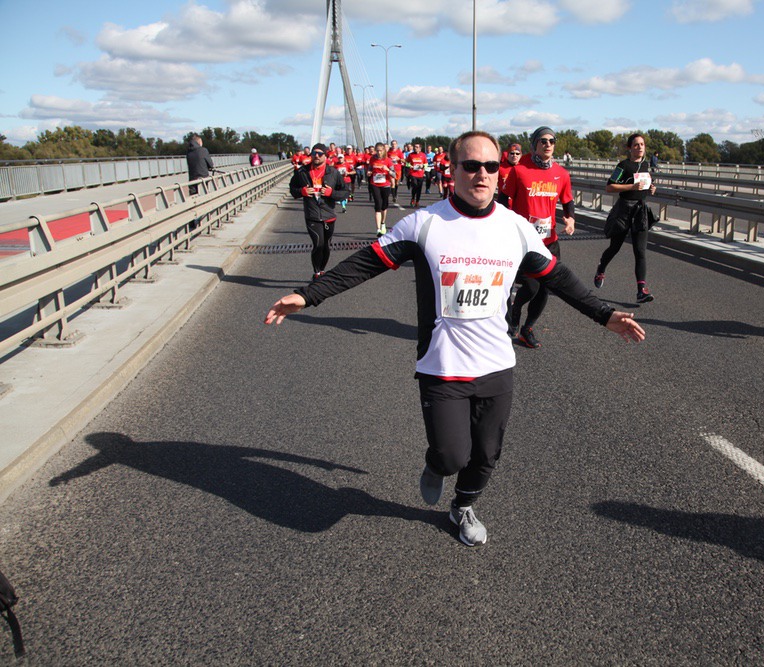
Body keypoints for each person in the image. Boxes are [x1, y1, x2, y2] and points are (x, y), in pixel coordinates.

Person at [265, 130, 645, 547]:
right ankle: (437, 466)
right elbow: (365, 264)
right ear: (453, 168)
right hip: (442, 365)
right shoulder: (424, 224)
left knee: (486, 455)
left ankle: (462, 506)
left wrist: (603, 314)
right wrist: (309, 295)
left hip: (496, 364)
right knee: (451, 455)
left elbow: (559, 278)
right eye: (471, 165)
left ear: (499, 172)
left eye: (491, 166)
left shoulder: (516, 228)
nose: (482, 174)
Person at [502, 126, 575, 348]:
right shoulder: (519, 171)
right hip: (524, 241)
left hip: (549, 241)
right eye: (543, 140)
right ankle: (515, 309)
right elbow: (503, 200)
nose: (548, 144)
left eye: (552, 140)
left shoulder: (561, 174)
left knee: (546, 288)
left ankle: (528, 328)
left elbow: (568, 201)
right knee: (531, 287)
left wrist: (570, 219)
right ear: (534, 144)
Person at [594, 132, 657, 304]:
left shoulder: (645, 165)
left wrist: (651, 188)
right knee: (615, 247)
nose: (640, 148)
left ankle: (641, 290)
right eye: (636, 145)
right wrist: (631, 187)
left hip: (640, 211)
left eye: (642, 144)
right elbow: (609, 187)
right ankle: (601, 268)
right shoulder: (623, 165)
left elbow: (645, 185)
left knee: (640, 251)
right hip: (624, 210)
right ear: (629, 148)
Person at [288, 143, 350, 280]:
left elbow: (345, 192)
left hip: (328, 214)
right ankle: (316, 273)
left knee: (326, 246)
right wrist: (302, 191)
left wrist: (331, 193)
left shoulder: (333, 172)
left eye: (320, 154)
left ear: (325, 156)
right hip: (312, 214)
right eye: (314, 153)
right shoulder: (302, 172)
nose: (316, 156)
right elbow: (292, 189)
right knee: (318, 244)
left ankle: (322, 270)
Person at [367, 142, 396, 237]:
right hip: (375, 184)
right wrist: (369, 172)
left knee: (384, 205)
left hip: (385, 185)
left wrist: (387, 170)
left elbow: (394, 174)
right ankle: (378, 229)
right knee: (378, 205)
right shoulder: (372, 159)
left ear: (384, 150)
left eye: (380, 151)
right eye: (377, 151)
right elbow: (369, 169)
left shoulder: (388, 160)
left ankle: (383, 223)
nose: (379, 152)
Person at [496, 142, 521, 208]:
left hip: (518, 206)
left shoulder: (523, 169)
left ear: (520, 155)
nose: (514, 155)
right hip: (503, 205)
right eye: (512, 153)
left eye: (517, 153)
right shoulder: (500, 168)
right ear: (507, 154)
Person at [405, 142, 428, 208]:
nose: (415, 148)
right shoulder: (411, 155)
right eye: (415, 147)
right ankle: (413, 198)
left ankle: (417, 201)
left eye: (417, 147)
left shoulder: (423, 155)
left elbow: (426, 164)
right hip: (413, 173)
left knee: (419, 189)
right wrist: (410, 166)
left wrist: (422, 166)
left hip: (420, 174)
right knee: (414, 186)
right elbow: (407, 163)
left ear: (420, 148)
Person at [387, 140, 404, 204]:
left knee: (396, 183)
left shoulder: (399, 152)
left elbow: (403, 160)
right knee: (392, 183)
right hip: (391, 169)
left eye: (394, 144)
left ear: (396, 145)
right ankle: (394, 197)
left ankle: (395, 193)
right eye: (392, 144)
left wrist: (399, 159)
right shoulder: (388, 152)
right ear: (391, 145)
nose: (393, 145)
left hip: (398, 169)